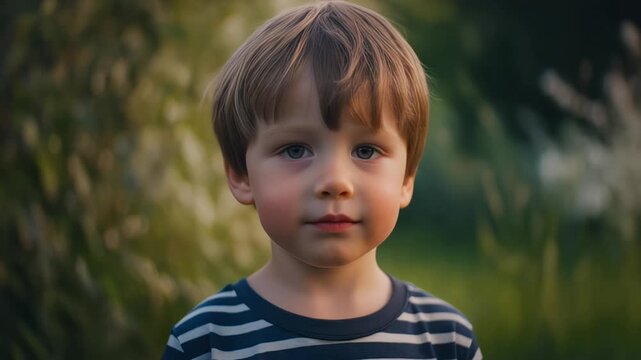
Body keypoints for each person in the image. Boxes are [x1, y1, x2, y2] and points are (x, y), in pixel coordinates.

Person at [161, 1, 482, 359]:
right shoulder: (206, 341)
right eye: (296, 150)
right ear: (240, 173)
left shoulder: (446, 340)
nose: (334, 181)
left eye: (365, 151)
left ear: (406, 178)